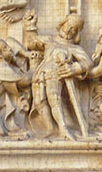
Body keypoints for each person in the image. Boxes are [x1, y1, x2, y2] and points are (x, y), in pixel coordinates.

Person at [23, 11, 93, 140]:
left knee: (54, 101)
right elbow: (31, 43)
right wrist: (30, 26)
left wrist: (74, 68)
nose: (70, 30)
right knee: (39, 102)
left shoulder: (74, 48)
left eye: (74, 29)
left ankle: (63, 129)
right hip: (40, 76)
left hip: (56, 76)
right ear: (63, 24)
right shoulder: (49, 40)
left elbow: (88, 63)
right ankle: (50, 129)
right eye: (69, 25)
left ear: (76, 33)